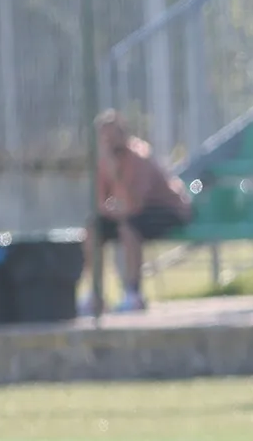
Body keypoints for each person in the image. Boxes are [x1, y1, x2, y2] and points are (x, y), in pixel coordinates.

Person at [82, 112, 193, 314]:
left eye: (112, 136)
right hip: (130, 212)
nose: (108, 141)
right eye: (104, 137)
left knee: (129, 227)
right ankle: (96, 294)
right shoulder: (104, 161)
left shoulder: (139, 157)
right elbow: (100, 203)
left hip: (167, 210)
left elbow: (135, 203)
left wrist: (116, 174)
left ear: (123, 135)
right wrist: (112, 209)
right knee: (93, 228)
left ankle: (133, 293)